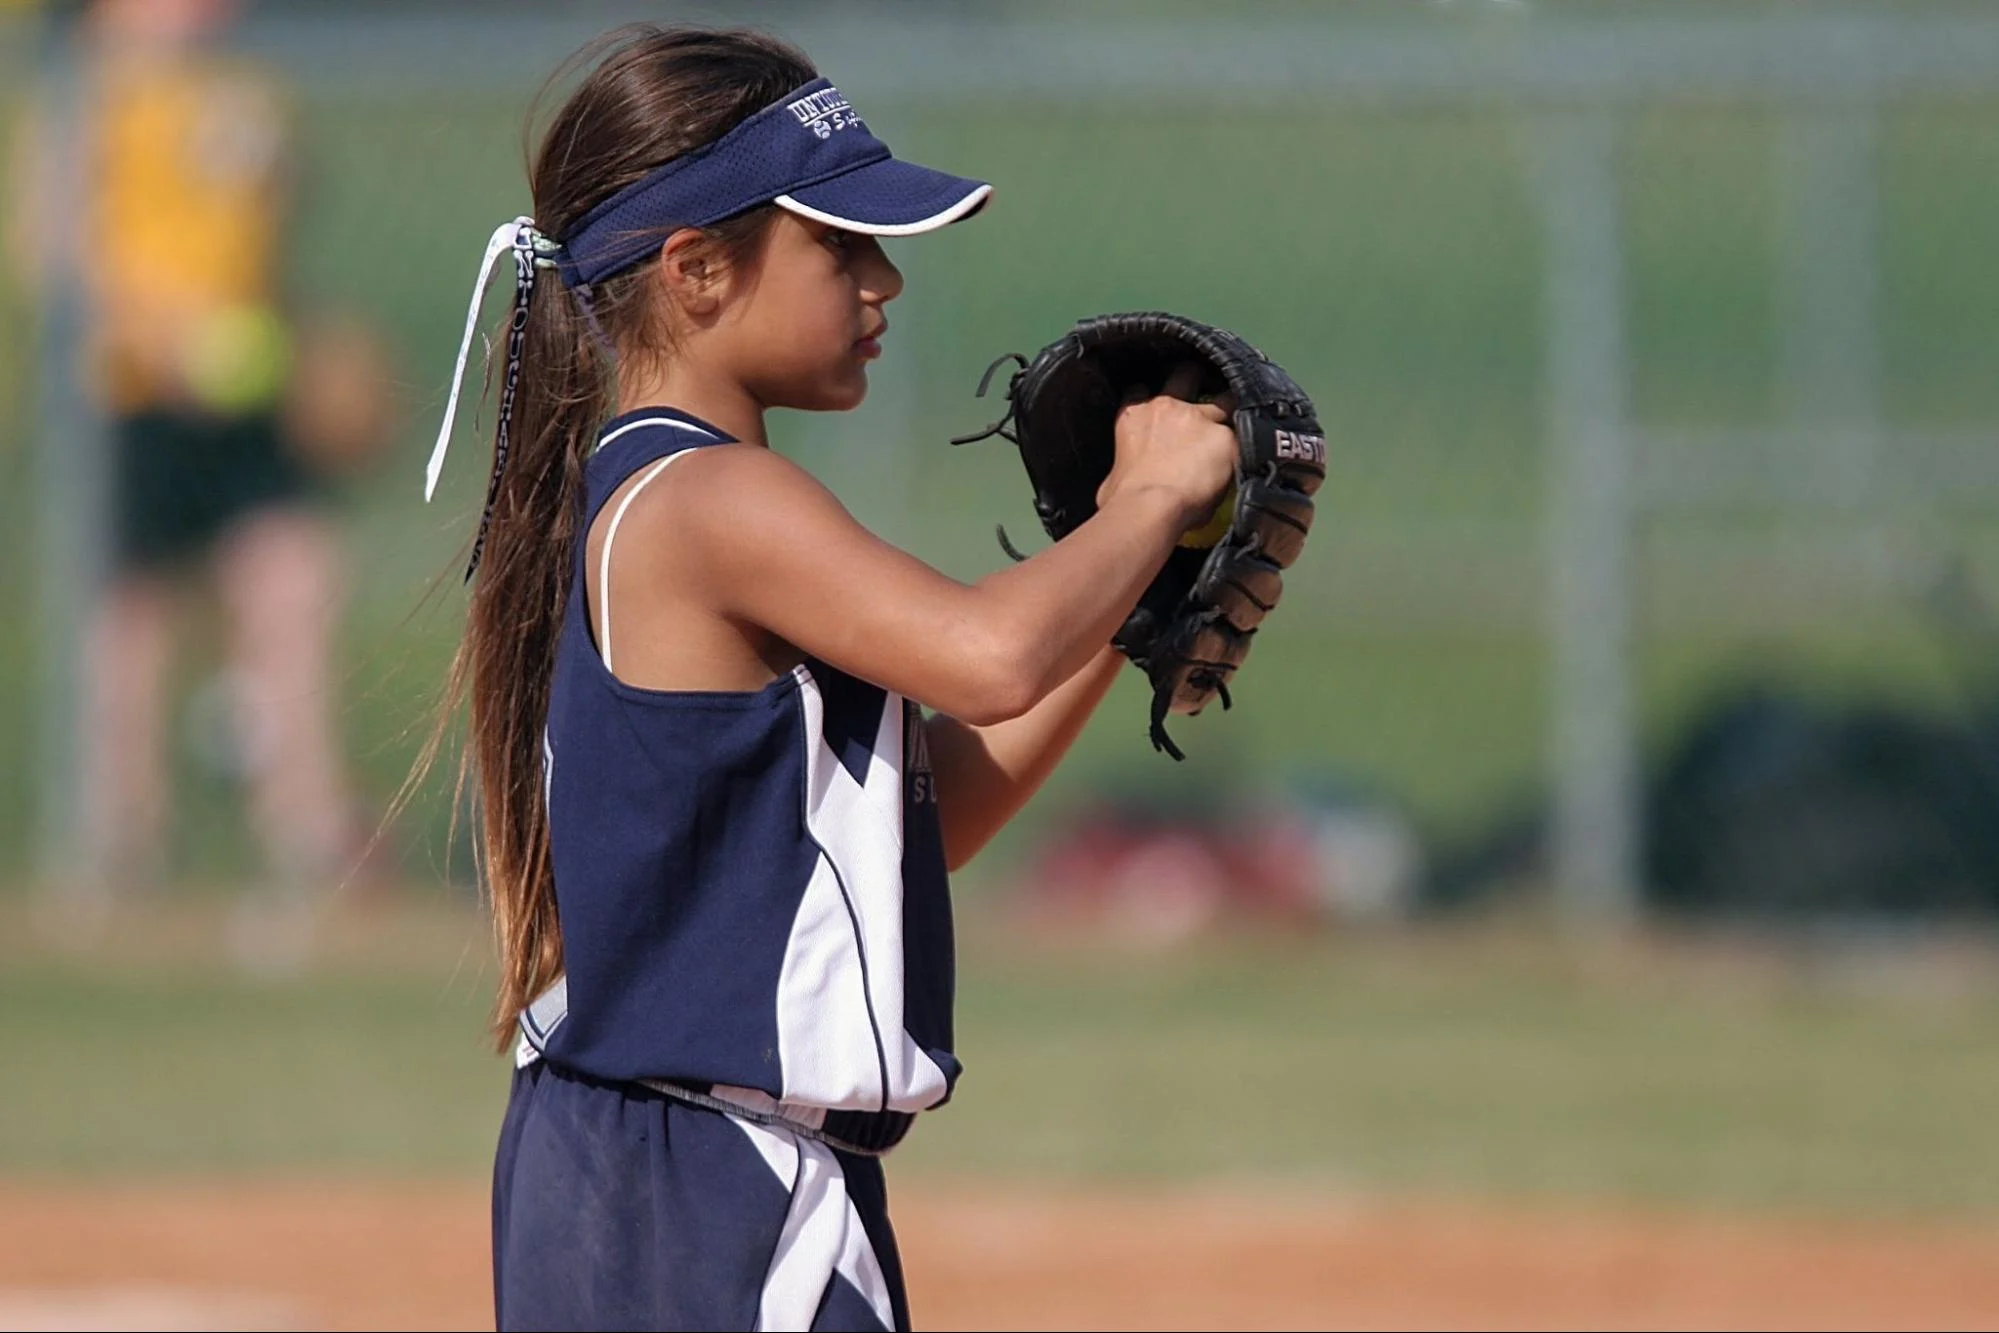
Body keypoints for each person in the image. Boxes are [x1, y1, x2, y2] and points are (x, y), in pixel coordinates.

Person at [420, 25, 1235, 1331]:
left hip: (677, 1178)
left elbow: (937, 809)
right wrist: (1144, 501)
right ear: (694, 270)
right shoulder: (708, 499)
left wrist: (1131, 596)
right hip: (708, 1194)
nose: (880, 283)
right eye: (838, 244)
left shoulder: (674, 494)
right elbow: (987, 653)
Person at [13, 0, 370, 956]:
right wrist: (163, 334)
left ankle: (308, 833)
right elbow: (49, 251)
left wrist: (298, 342)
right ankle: (120, 844)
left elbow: (266, 245)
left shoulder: (243, 93)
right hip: (127, 399)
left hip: (241, 398)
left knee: (293, 583)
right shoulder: (84, 94)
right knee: (131, 624)